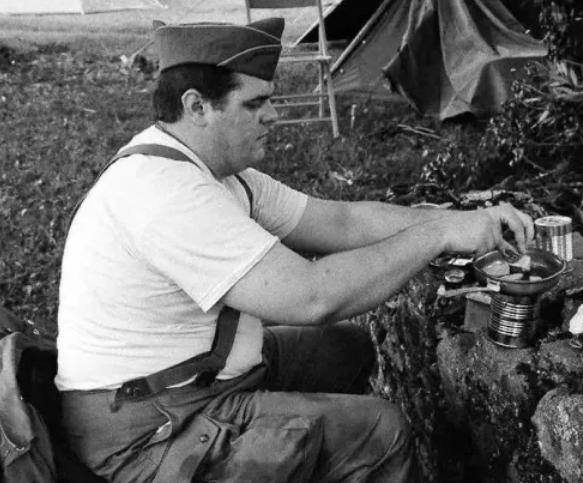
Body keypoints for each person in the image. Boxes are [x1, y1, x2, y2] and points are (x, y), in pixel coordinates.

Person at [55, 18, 534, 483]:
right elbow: (312, 296)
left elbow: (340, 221)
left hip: (191, 381)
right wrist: (439, 236)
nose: (274, 115)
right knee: (379, 430)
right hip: (150, 433)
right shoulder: (166, 193)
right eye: (255, 104)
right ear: (197, 106)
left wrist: (449, 219)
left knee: (349, 349)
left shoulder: (213, 171)